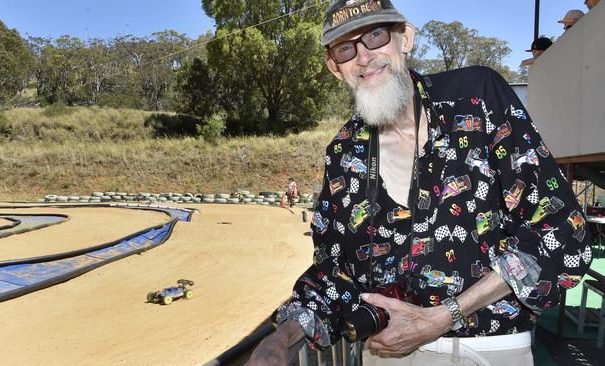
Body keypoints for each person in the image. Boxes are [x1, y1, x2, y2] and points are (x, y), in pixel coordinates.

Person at [248, 0, 592, 365]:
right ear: (335, 67)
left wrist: (444, 316)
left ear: (405, 38)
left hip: (488, 349)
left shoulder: (477, 99)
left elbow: (563, 230)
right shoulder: (344, 153)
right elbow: (334, 274)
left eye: (375, 36)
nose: (364, 57)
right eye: (346, 48)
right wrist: (280, 339)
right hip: (387, 354)